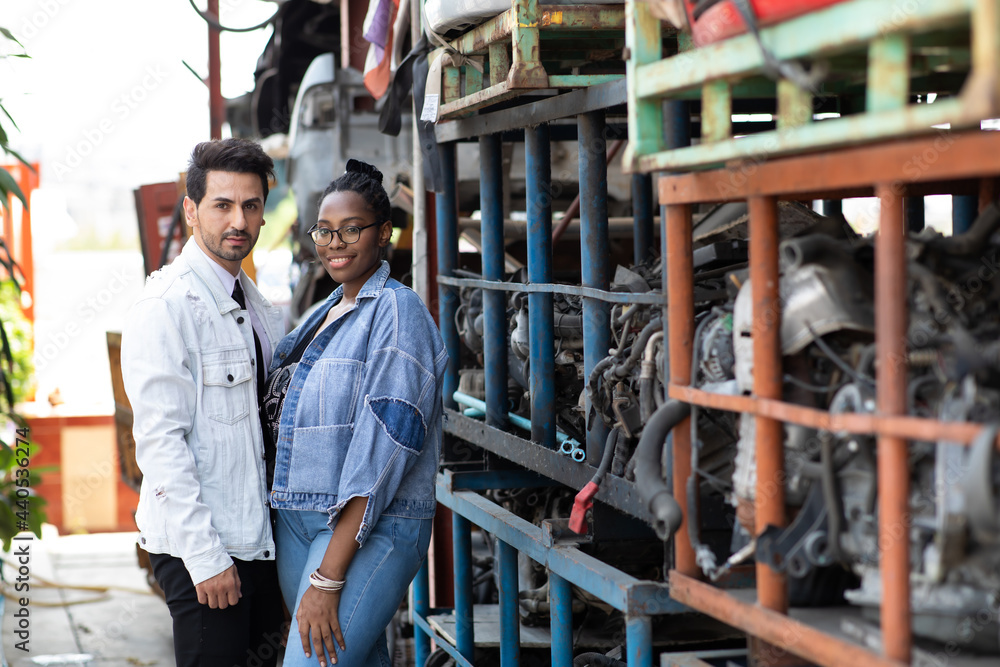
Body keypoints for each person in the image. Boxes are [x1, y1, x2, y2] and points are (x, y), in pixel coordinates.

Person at [263, 159, 447, 667]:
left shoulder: (397, 312)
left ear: (384, 233)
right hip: (300, 518)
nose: (335, 242)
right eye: (325, 230)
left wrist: (327, 578)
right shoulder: (326, 310)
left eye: (351, 229)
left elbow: (384, 452)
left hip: (367, 530)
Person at [121, 138, 286, 667]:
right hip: (205, 553)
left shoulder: (256, 306)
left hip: (257, 543)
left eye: (251, 205)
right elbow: (160, 444)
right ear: (192, 211)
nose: (238, 220)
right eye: (222, 205)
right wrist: (206, 558)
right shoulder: (165, 307)